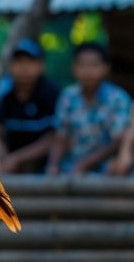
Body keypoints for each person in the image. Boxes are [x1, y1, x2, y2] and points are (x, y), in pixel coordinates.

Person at [46, 42, 131, 176]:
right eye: (83, 65)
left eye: (94, 65)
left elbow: (117, 140)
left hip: (106, 167)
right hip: (70, 165)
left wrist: (85, 164)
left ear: (105, 68)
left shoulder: (118, 98)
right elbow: (60, 136)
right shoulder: (68, 96)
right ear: (74, 68)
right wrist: (53, 165)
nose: (88, 71)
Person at [0, 38, 58, 174]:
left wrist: (18, 158)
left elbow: (53, 138)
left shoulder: (51, 93)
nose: (24, 67)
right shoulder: (3, 93)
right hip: (9, 165)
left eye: (30, 61)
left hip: (44, 167)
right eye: (19, 61)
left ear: (42, 65)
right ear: (10, 65)